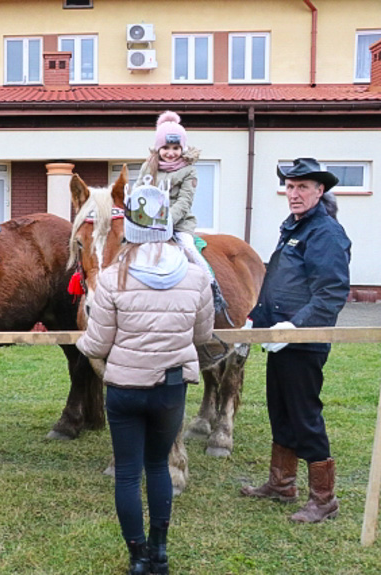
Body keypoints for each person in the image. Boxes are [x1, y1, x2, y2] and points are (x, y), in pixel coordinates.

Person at [77, 181, 214, 575]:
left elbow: (98, 343)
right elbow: (202, 335)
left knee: (127, 473)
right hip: (170, 389)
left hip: (124, 391)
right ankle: (160, 551)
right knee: (158, 467)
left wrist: (86, 345)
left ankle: (138, 557)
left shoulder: (111, 279)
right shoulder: (195, 275)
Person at [240, 158, 351, 524]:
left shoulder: (325, 233)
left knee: (304, 417)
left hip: (303, 342)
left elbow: (330, 293)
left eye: (303, 187)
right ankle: (282, 483)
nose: (294, 193)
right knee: (281, 411)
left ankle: (324, 500)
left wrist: (293, 327)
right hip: (281, 341)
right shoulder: (294, 228)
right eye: (290, 186)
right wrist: (255, 317)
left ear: (320, 191)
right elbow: (279, 284)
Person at [137, 110, 229, 317]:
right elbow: (138, 192)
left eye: (176, 148)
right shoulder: (148, 166)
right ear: (159, 148)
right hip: (146, 224)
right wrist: (138, 216)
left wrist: (165, 220)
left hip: (177, 223)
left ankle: (212, 286)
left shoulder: (188, 170)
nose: (171, 152)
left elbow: (185, 201)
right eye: (166, 148)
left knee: (189, 248)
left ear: (182, 148)